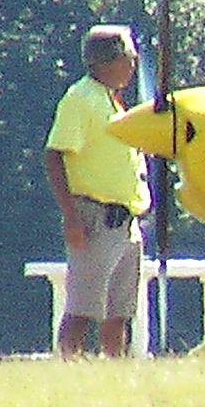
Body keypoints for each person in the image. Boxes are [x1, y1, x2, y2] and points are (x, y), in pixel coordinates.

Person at [43, 25, 151, 358]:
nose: (131, 67)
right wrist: (71, 217)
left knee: (120, 310)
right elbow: (54, 155)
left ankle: (113, 369)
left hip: (125, 220)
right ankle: (68, 360)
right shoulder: (81, 99)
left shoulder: (114, 102)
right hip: (95, 215)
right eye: (126, 59)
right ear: (105, 62)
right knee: (84, 305)